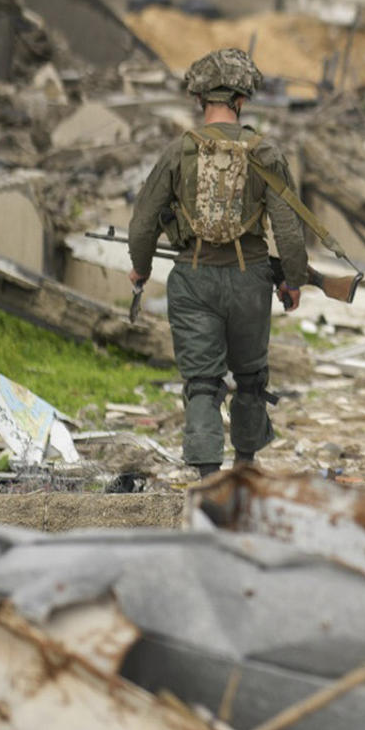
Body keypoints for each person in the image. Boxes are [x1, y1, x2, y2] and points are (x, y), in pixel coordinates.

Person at [128, 48, 306, 479]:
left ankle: (209, 479)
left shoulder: (179, 152)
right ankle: (245, 468)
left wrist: (141, 268)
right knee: (250, 378)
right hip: (250, 280)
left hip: (193, 280)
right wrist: (294, 281)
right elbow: (289, 229)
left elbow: (142, 223)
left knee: (203, 384)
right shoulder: (265, 154)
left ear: (200, 99)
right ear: (242, 100)